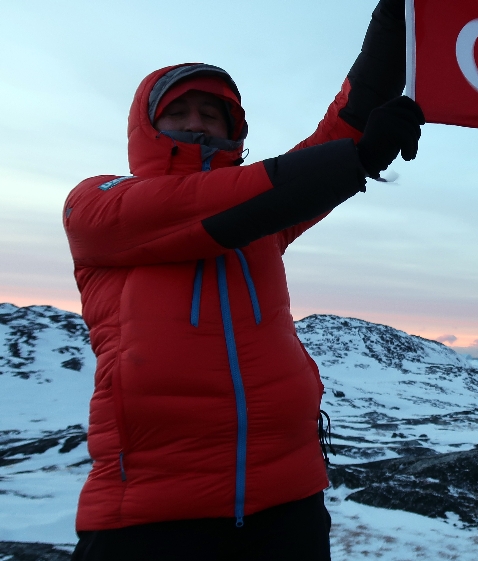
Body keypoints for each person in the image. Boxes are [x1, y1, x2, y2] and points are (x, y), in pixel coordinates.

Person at [62, 1, 422, 559]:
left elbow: (336, 136)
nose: (199, 123)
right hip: (151, 515)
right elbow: (206, 206)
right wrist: (353, 163)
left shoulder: (263, 217)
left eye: (215, 114)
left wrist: (395, 29)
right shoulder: (100, 206)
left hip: (288, 505)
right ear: (146, 125)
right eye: (181, 111)